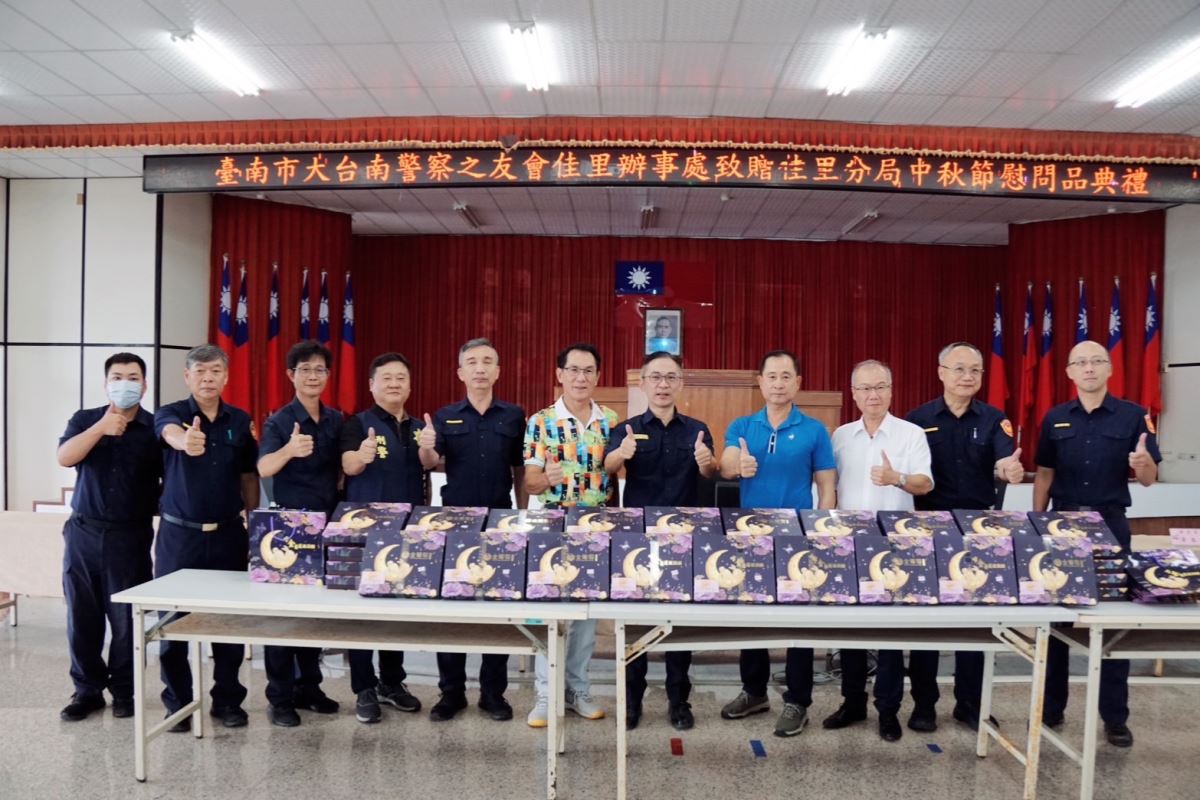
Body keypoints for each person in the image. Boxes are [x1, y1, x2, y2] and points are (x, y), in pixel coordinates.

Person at [1034, 339, 1160, 749]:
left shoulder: (1133, 416)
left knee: (1114, 623)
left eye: (1096, 361)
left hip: (1111, 525)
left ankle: (1115, 717)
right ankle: (1051, 708)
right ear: (1069, 372)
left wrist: (1143, 464)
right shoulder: (1055, 418)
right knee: (1057, 621)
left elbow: (1149, 478)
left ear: (1109, 368)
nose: (1089, 368)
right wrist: (1037, 523)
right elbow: (1045, 474)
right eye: (1081, 363)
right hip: (1063, 526)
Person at [717, 350, 836, 737]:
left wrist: (821, 532)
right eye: (772, 376)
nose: (779, 383)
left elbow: (827, 486)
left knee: (798, 620)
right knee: (752, 617)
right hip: (751, 537)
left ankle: (798, 700)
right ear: (760, 382)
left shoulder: (814, 430)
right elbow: (726, 463)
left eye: (787, 376)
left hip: (798, 537)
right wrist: (738, 466)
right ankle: (754, 692)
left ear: (798, 383)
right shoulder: (742, 425)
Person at [906, 342, 1024, 731]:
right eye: (959, 369)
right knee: (926, 621)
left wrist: (1008, 469)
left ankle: (970, 704)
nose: (967, 376)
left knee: (976, 619)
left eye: (975, 370)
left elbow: (1004, 461)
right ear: (941, 372)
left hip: (978, 530)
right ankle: (923, 705)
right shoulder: (918, 419)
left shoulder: (994, 419)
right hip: (928, 528)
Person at [605, 351, 716, 732]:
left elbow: (710, 472)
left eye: (671, 377)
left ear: (680, 383)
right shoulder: (626, 428)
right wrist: (620, 454)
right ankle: (632, 700)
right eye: (655, 377)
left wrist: (706, 461)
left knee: (677, 624)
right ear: (643, 383)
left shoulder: (697, 430)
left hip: (683, 540)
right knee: (636, 622)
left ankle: (678, 701)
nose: (663, 384)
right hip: (638, 539)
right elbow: (608, 466)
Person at [154, 344, 259, 731]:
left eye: (215, 371)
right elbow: (168, 433)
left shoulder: (239, 420)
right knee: (172, 624)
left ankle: (228, 700)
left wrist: (252, 522)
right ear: (187, 377)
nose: (208, 378)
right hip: (179, 537)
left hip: (229, 534)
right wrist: (184, 441)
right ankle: (177, 703)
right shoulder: (171, 414)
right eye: (200, 372)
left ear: (226, 376)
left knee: (228, 623)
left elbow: (248, 475)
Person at [421, 338, 527, 723]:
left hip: (500, 521)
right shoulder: (445, 416)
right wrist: (426, 447)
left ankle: (493, 694)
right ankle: (450, 692)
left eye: (487, 362)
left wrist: (522, 516)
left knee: (496, 610)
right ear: (461, 372)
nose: (479, 368)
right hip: (455, 524)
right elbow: (429, 463)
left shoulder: (513, 416)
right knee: (452, 610)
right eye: (472, 362)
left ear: (497, 371)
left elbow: (519, 469)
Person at [828, 359, 933, 743]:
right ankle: (852, 702)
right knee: (850, 630)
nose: (873, 395)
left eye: (880, 387)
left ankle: (887, 710)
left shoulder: (911, 434)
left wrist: (896, 478)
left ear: (891, 390)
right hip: (849, 544)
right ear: (854, 394)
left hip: (895, 546)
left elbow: (925, 484)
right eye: (865, 388)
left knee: (890, 633)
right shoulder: (840, 436)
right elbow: (828, 486)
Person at [55, 353, 161, 722]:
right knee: (82, 617)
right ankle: (87, 691)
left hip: (130, 535)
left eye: (133, 377)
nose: (125, 383)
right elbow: (64, 457)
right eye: (117, 377)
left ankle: (125, 692)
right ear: (106, 384)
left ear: (144, 386)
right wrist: (101, 428)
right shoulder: (85, 419)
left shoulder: (155, 427)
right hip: (83, 532)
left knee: (126, 620)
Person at [522, 343, 618, 728]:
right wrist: (546, 478)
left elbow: (616, 473)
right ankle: (546, 693)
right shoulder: (540, 421)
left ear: (598, 376)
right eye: (573, 370)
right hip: (552, 525)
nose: (581, 377)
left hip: (595, 527)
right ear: (559, 374)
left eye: (588, 370)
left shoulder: (610, 420)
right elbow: (530, 482)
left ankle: (577, 689)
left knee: (586, 617)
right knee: (550, 612)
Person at [339, 352, 432, 723]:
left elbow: (428, 467)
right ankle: (364, 687)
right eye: (387, 378)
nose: (394, 384)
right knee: (361, 613)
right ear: (372, 385)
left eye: (401, 378)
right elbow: (348, 465)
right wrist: (361, 455)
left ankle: (392, 682)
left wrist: (429, 446)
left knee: (397, 611)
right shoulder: (357, 423)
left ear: (409, 385)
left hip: (407, 530)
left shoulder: (418, 427)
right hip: (366, 532)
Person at [256, 341, 343, 727]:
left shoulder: (336, 419)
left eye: (319, 370)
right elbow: (263, 468)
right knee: (282, 614)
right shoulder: (279, 421)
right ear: (291, 375)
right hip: (287, 530)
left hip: (326, 526)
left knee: (313, 614)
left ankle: (309, 687)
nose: (312, 376)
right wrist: (289, 450)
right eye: (305, 369)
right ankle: (279, 696)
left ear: (328, 375)